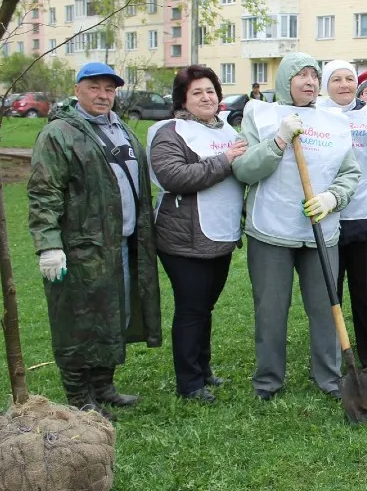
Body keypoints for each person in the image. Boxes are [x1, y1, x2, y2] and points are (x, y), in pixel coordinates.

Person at [28, 62, 162, 421]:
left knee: (114, 316)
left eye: (110, 89)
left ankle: (103, 387)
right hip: (80, 247)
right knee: (77, 322)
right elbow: (44, 193)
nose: (103, 95)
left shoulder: (121, 129)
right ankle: (78, 396)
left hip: (123, 242)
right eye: (95, 88)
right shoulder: (60, 133)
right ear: (78, 89)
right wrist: (49, 245)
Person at [232, 53, 361, 400]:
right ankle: (268, 381)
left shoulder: (333, 122)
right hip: (271, 231)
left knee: (326, 306)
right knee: (271, 309)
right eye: (300, 75)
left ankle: (331, 378)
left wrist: (333, 197)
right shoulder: (260, 115)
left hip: (320, 230)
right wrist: (278, 141)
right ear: (285, 80)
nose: (309, 81)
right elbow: (244, 169)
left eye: (314, 76)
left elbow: (350, 173)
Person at [147, 65, 247, 403]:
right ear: (183, 99)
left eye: (210, 91)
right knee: (191, 309)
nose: (206, 97)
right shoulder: (171, 132)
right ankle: (189, 384)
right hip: (183, 239)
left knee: (206, 306)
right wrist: (225, 161)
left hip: (219, 235)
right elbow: (173, 176)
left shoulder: (227, 130)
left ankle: (203, 370)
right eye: (197, 92)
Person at [319, 60, 367, 380]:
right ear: (326, 85)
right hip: (326, 221)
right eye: (336, 79)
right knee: (327, 298)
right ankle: (329, 362)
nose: (343, 84)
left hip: (365, 218)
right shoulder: (315, 116)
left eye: (349, 78)